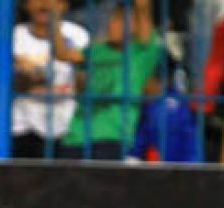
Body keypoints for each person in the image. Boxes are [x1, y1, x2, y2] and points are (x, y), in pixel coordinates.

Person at [56, 0, 164, 159]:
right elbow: (62, 54)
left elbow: (143, 7)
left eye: (120, 20)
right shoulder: (98, 50)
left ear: (136, 26)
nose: (112, 24)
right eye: (113, 18)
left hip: (112, 138)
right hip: (75, 136)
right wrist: (54, 19)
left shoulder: (142, 52)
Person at [12, 0, 90, 158]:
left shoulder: (79, 35)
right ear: (26, 4)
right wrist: (27, 77)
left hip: (66, 126)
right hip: (22, 126)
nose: (45, 4)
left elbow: (85, 84)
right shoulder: (14, 35)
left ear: (65, 5)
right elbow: (9, 85)